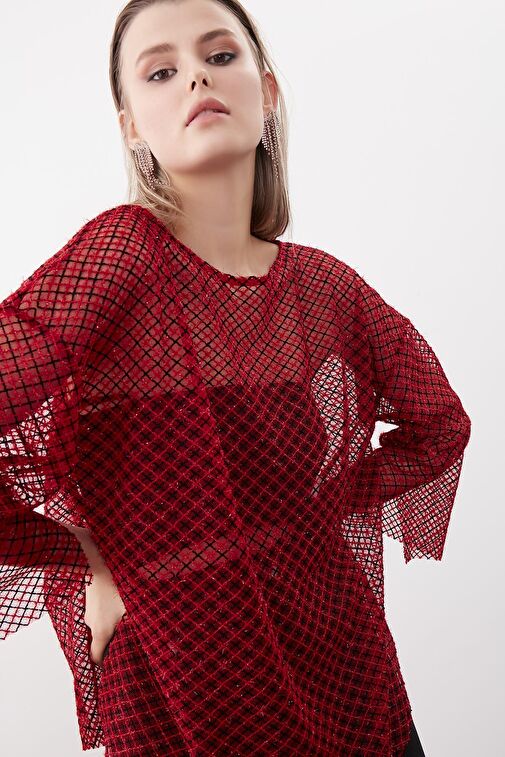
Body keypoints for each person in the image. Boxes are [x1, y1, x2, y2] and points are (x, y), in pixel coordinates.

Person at [0, 0, 470, 755]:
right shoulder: (121, 256)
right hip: (179, 678)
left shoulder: (325, 287)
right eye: (161, 71)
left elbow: (440, 427)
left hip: (342, 661)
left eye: (220, 56)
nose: (196, 77)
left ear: (267, 89)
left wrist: (320, 509)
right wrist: (83, 557)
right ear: (131, 126)